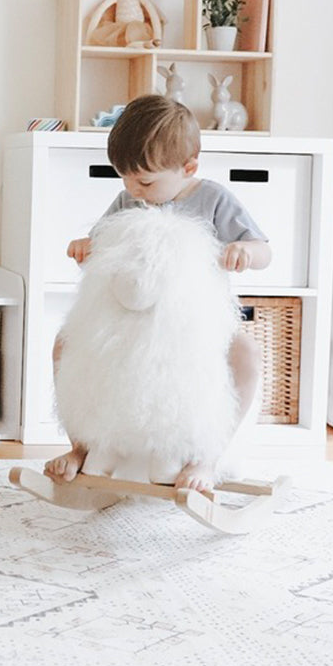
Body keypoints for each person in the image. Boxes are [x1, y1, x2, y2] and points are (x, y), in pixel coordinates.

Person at [48, 93, 270, 492]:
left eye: (145, 181)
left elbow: (264, 250)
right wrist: (86, 245)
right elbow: (103, 245)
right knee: (65, 344)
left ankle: (206, 458)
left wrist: (245, 251)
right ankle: (81, 447)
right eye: (125, 178)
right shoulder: (128, 199)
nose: (134, 190)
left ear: (188, 167)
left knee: (246, 354)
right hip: (130, 329)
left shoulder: (214, 200)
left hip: (193, 331)